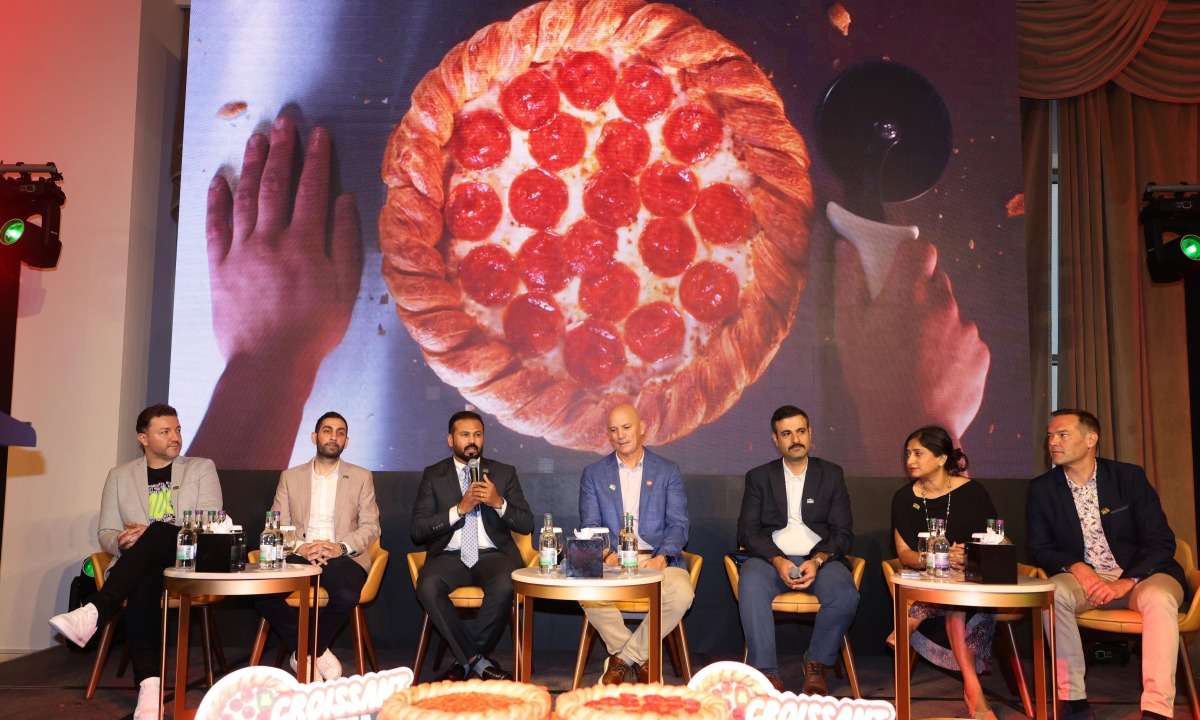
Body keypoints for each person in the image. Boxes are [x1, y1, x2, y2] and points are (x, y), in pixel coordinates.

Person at [49, 404, 222, 720]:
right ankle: (150, 689)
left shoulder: (200, 468)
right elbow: (106, 532)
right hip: (144, 566)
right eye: (165, 431)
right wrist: (120, 540)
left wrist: (152, 532)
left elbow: (208, 518)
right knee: (144, 578)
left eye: (178, 429)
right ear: (143, 438)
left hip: (190, 556)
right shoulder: (119, 476)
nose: (175, 437)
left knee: (156, 533)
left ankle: (94, 612)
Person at [1028, 409, 1187, 720]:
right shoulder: (1042, 488)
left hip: (1142, 575)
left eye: (1063, 435)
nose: (1053, 442)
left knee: (1159, 598)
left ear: (1091, 439)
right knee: (1051, 593)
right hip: (1084, 580)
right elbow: (1040, 548)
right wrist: (1078, 567)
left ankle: (1157, 709)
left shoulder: (1128, 478)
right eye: (1050, 436)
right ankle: (1073, 700)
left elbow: (1161, 542)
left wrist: (1125, 581)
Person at [735, 405, 860, 695]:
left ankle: (815, 662)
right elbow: (748, 532)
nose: (795, 439)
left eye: (801, 431)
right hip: (770, 561)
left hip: (820, 560)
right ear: (775, 439)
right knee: (751, 584)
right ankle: (766, 672)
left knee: (845, 594)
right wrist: (778, 560)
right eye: (787, 433)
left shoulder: (831, 474)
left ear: (810, 433)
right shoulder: (759, 477)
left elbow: (843, 533)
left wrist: (817, 560)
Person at [254, 411, 380, 681]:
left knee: (346, 595)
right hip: (299, 554)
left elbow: (371, 526)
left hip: (341, 554)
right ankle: (315, 652)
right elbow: (274, 527)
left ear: (346, 441)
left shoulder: (361, 476)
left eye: (340, 432)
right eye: (327, 430)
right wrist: (301, 547)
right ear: (314, 437)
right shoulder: (290, 477)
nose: (333, 437)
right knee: (261, 593)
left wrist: (340, 547)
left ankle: (302, 655)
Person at [411, 410, 532, 681]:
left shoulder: (503, 473)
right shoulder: (434, 475)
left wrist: (498, 502)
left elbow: (526, 523)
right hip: (450, 555)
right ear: (450, 439)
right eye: (464, 435)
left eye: (477, 434)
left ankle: (464, 660)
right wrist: (459, 509)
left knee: (506, 582)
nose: (472, 441)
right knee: (427, 586)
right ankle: (478, 661)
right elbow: (418, 530)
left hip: (493, 555)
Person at [578, 403, 694, 684]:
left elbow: (678, 525)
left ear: (642, 428)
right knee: (584, 585)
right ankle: (640, 658)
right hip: (614, 561)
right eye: (613, 430)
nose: (620, 435)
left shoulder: (667, 471)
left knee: (681, 594)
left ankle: (622, 659)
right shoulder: (594, 473)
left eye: (626, 427)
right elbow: (590, 526)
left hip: (657, 559)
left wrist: (662, 558)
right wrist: (606, 555)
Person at [890, 426, 999, 720]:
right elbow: (904, 555)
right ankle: (974, 692)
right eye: (907, 454)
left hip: (973, 587)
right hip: (932, 581)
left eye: (917, 453)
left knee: (956, 604)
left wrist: (970, 555)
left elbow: (1000, 541)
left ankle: (916, 615)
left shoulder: (972, 492)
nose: (910, 460)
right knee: (953, 608)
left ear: (941, 458)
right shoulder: (903, 498)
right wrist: (933, 557)